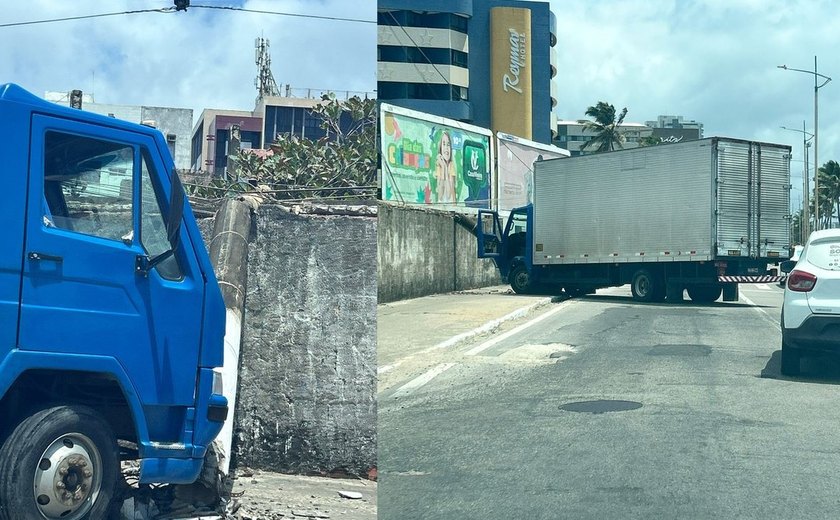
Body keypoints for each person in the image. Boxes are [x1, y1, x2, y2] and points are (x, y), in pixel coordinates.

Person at [434, 131, 456, 203]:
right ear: (440, 148)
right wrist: (443, 167)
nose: (446, 148)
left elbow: (449, 195)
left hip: (452, 207)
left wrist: (445, 168)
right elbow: (440, 196)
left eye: (448, 145)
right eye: (444, 144)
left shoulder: (451, 165)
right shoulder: (439, 165)